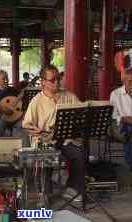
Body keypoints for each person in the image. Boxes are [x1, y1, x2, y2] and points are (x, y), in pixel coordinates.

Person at [22, 65, 86, 202]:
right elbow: (26, 125)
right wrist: (36, 130)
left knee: (79, 154)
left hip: (65, 140)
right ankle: (44, 188)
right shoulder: (36, 101)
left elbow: (82, 115)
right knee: (47, 156)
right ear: (43, 81)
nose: (57, 82)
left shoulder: (69, 96)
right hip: (46, 141)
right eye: (53, 80)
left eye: (58, 78)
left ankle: (72, 188)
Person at [109, 68, 132, 173]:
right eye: (130, 81)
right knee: (129, 130)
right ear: (124, 81)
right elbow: (112, 115)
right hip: (121, 125)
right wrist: (123, 118)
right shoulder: (115, 94)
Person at [0, 70, 21, 137]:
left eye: (7, 78)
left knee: (22, 124)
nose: (6, 80)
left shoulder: (13, 90)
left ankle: (17, 144)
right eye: (3, 79)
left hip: (15, 117)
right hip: (1, 118)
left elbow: (20, 104)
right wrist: (3, 110)